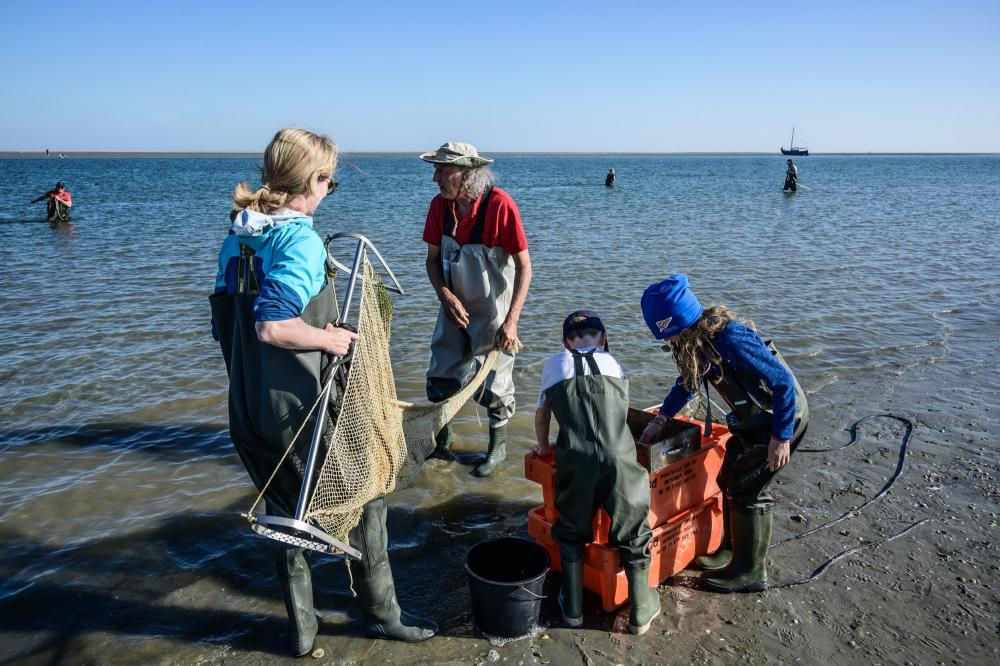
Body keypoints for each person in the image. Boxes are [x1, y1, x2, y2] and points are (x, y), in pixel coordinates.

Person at [210, 128, 437, 656]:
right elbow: (272, 325)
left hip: (248, 407)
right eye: (329, 182)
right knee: (371, 491)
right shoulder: (300, 240)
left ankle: (303, 632)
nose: (328, 190)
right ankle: (382, 615)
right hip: (304, 409)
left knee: (282, 517)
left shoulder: (238, 238)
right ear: (311, 181)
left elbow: (230, 327)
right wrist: (329, 336)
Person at [638, 275, 808, 593]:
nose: (671, 343)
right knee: (728, 477)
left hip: (781, 418)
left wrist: (781, 437)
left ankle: (750, 570)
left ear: (680, 324)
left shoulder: (731, 338)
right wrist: (661, 419)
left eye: (670, 336)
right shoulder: (699, 343)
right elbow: (688, 383)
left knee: (748, 489)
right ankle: (731, 551)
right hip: (751, 420)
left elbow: (782, 381)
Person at [534, 310, 661, 635]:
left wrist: (544, 449)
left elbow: (542, 417)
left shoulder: (553, 365)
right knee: (633, 529)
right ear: (602, 338)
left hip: (575, 460)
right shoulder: (614, 364)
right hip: (619, 458)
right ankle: (640, 613)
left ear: (565, 342)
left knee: (572, 528)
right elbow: (618, 414)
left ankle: (573, 609)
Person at [420, 142, 532, 476]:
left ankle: (496, 450)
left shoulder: (500, 205)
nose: (436, 178)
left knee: (495, 385)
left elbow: (525, 268)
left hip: (493, 309)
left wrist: (511, 322)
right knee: (441, 377)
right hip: (453, 306)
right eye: (435, 170)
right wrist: (445, 296)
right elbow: (431, 262)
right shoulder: (440, 208)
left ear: (467, 174)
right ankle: (443, 444)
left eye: (443, 170)